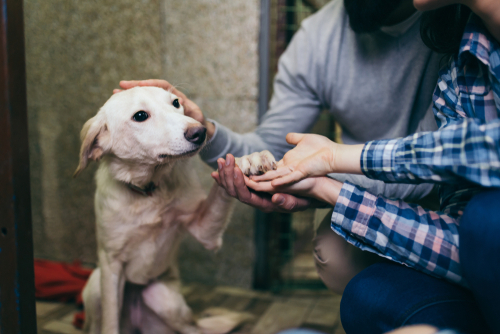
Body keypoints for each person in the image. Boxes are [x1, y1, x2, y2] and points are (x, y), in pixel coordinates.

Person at [118, 0, 443, 294]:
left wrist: (321, 184)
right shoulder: (318, 36)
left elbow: (443, 161)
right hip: (369, 186)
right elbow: (268, 145)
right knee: (335, 258)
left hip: (450, 186)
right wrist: (206, 131)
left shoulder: (452, 25)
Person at [247, 0, 500, 332]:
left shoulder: (438, 43)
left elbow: (477, 150)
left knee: (487, 220)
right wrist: (325, 187)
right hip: (469, 238)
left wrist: (335, 159)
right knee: (365, 294)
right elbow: (465, 244)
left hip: (439, 201)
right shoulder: (460, 62)